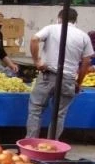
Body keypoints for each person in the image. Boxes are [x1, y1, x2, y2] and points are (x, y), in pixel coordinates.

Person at [26, 8, 94, 139]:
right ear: (76, 20)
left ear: (59, 18)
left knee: (36, 110)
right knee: (60, 114)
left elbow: (34, 39)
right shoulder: (83, 36)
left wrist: (37, 61)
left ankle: (30, 143)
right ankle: (51, 146)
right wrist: (78, 82)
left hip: (47, 75)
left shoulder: (51, 28)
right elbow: (86, 62)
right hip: (68, 78)